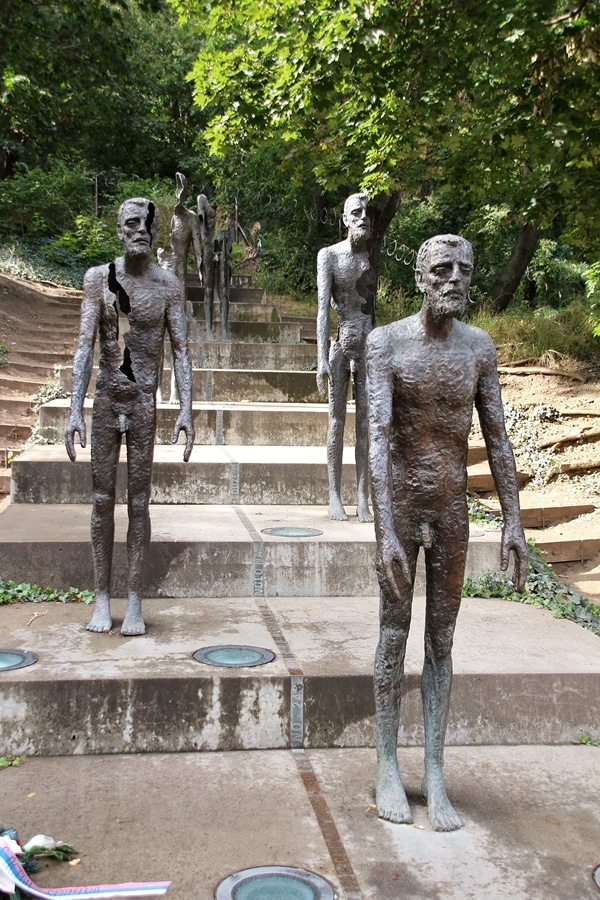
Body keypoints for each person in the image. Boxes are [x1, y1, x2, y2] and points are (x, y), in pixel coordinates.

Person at [366, 234, 528, 831]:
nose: (455, 278)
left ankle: (433, 773)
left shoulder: (478, 349)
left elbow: (499, 437)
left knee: (441, 641)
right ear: (420, 276)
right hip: (403, 510)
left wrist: (513, 518)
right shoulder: (386, 344)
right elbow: (377, 439)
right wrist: (384, 529)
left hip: (451, 509)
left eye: (464, 269)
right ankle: (387, 764)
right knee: (392, 631)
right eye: (442, 268)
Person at [65, 197, 195, 636]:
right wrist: (74, 408)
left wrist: (186, 409)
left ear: (157, 233)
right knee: (103, 501)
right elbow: (86, 346)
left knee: (139, 503)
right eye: (131, 223)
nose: (140, 230)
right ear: (120, 231)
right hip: (106, 400)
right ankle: (102, 599)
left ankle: (134, 601)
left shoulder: (167, 286)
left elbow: (181, 350)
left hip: (143, 402)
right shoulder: (98, 280)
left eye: (147, 224)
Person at [316, 192, 375, 522]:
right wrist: (321, 357)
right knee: (336, 422)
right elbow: (323, 308)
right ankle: (334, 495)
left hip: (367, 349)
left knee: (365, 426)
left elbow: (371, 312)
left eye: (365, 212)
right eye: (356, 213)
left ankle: (363, 499)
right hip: (340, 346)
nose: (363, 217)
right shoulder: (329, 256)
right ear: (344, 219)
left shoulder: (368, 258)